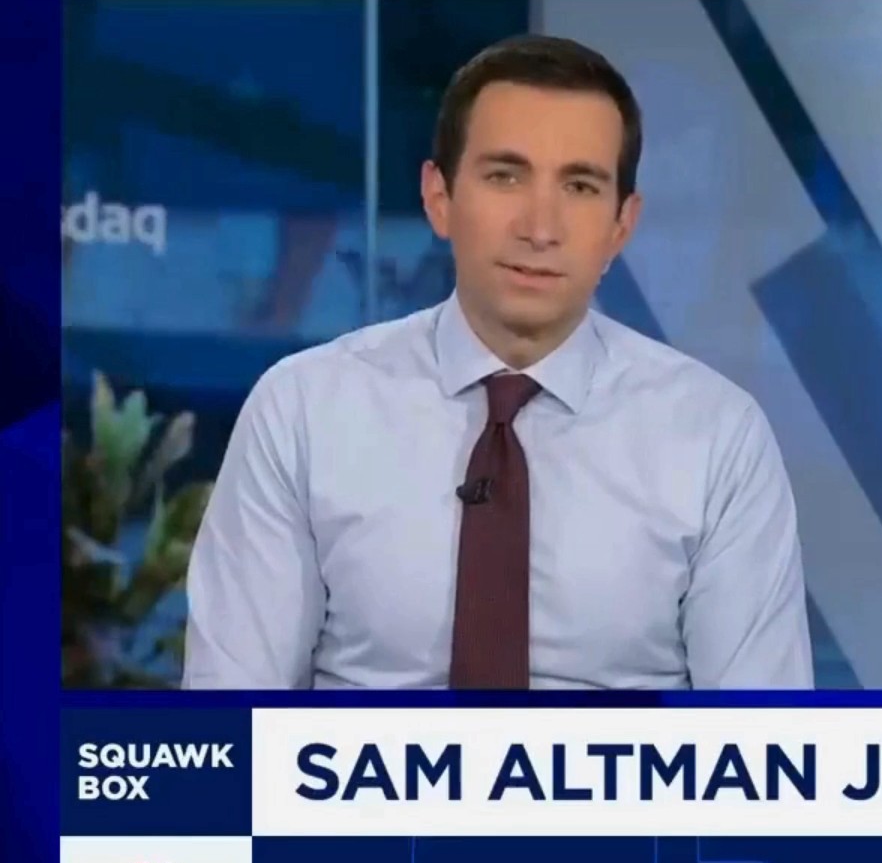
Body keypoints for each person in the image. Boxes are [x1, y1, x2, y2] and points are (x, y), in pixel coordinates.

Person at [183, 34, 813, 689]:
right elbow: (231, 713)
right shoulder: (303, 411)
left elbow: (761, 736)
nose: (540, 228)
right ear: (439, 197)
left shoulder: (716, 437)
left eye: (580, 185)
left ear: (621, 225)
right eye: (505, 176)